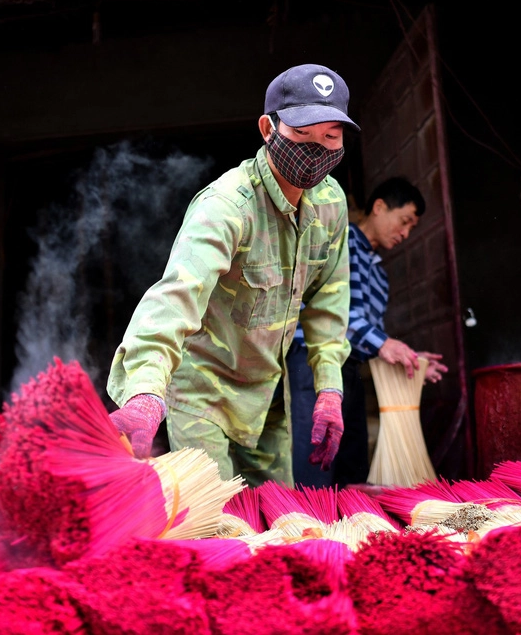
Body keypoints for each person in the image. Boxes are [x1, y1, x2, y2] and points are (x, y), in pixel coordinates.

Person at [106, 64, 359, 487]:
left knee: (274, 527)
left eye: (330, 137)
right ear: (268, 127)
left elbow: (330, 300)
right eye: (302, 135)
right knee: (217, 524)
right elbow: (175, 297)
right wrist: (147, 392)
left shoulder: (331, 202)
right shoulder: (227, 206)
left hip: (266, 400)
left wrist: (329, 389)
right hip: (203, 393)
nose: (317, 149)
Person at [289, 176, 449, 487]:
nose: (405, 233)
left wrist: (411, 358)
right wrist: (385, 344)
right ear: (379, 207)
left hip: (349, 366)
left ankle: (350, 527)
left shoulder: (380, 275)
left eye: (411, 228)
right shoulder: (343, 241)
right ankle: (308, 523)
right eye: (404, 221)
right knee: (315, 452)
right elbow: (333, 312)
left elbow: (371, 335)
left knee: (351, 457)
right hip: (311, 360)